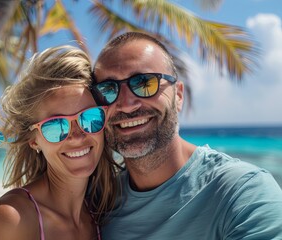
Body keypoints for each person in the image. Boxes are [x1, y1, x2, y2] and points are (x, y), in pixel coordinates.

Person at [90, 32, 282, 239]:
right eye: (107, 90)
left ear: (179, 95)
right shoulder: (97, 204)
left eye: (145, 83)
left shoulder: (243, 191)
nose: (127, 105)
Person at [0, 45, 120, 240]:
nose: (77, 135)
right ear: (33, 140)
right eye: (56, 126)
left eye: (89, 118)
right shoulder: (10, 219)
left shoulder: (101, 214)